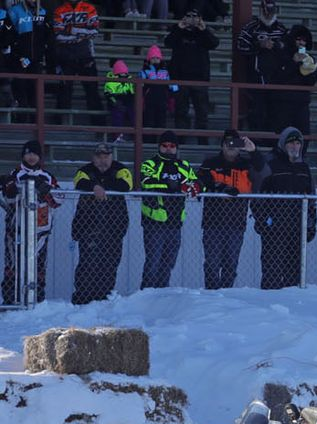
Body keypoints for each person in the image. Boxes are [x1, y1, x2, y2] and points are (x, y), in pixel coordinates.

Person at [251, 126, 317, 289]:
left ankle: (292, 310)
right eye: (291, 143)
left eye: (297, 143)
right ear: (283, 144)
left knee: (294, 276)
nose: (295, 147)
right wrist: (262, 220)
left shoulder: (304, 168)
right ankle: (269, 310)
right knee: (271, 274)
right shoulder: (271, 164)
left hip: (297, 229)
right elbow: (258, 194)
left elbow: (311, 200)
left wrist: (311, 224)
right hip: (274, 229)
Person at [198, 129, 263, 290]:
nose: (231, 147)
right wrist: (219, 189)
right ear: (222, 145)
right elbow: (199, 185)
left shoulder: (246, 164)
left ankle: (227, 298)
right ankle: (212, 296)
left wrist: (253, 151)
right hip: (213, 224)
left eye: (235, 143)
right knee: (212, 265)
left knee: (231, 266)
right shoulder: (210, 163)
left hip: (236, 224)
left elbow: (264, 172)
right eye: (227, 143)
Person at [70, 141, 133, 305]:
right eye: (99, 157)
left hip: (114, 228)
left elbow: (126, 184)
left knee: (110, 264)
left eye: (106, 156)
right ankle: (83, 300)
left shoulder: (121, 169)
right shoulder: (84, 170)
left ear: (111, 157)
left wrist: (100, 187)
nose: (102, 160)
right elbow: (79, 182)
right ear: (93, 157)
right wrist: (94, 187)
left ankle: (104, 298)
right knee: (88, 264)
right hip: (88, 227)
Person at [137, 130, 199, 289]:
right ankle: (146, 295)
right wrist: (174, 186)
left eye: (172, 146)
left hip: (175, 221)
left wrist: (182, 187)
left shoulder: (183, 165)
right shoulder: (150, 164)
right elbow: (147, 183)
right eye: (164, 145)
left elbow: (195, 185)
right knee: (153, 262)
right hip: (154, 222)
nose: (168, 149)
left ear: (176, 147)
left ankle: (162, 295)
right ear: (159, 146)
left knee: (168, 263)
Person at [3, 140, 60, 304]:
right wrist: (12, 191)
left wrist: (46, 193)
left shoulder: (47, 176)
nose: (31, 157)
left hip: (41, 230)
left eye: (35, 153)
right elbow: (8, 201)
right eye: (28, 153)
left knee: (39, 266)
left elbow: (59, 200)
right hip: (17, 230)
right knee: (13, 265)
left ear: (40, 156)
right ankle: (10, 301)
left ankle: (38, 302)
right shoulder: (14, 174)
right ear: (23, 155)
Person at [162, 8, 217, 137]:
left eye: (195, 16)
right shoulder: (177, 31)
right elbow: (168, 42)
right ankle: (181, 139)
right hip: (179, 79)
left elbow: (214, 44)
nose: (192, 18)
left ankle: (202, 139)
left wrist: (203, 29)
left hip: (200, 80)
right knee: (181, 111)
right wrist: (180, 28)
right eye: (189, 15)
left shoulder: (204, 32)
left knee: (202, 112)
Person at [233, 0, 286, 133]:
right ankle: (256, 140)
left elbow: (290, 52)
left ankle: (271, 141)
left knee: (275, 110)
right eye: (265, 11)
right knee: (257, 111)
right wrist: (258, 45)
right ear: (260, 11)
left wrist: (276, 46)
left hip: (277, 79)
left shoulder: (282, 30)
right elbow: (240, 47)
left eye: (271, 11)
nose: (268, 15)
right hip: (256, 78)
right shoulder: (250, 28)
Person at [49, 0, 101, 123]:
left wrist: (73, 30)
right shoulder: (59, 10)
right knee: (64, 91)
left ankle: (98, 125)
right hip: (65, 57)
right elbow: (58, 35)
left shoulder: (89, 8)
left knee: (92, 91)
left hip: (86, 56)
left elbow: (94, 32)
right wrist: (81, 35)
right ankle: (58, 124)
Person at [5, 0, 52, 126]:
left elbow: (49, 36)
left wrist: (46, 56)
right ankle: (21, 121)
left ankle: (35, 122)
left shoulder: (43, 12)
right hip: (18, 59)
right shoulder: (14, 11)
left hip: (36, 60)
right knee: (19, 88)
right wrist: (16, 54)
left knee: (35, 90)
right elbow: (7, 36)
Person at [266, 24, 317, 137]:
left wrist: (306, 67)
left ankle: (301, 155)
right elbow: (276, 78)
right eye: (298, 39)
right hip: (282, 103)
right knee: (281, 134)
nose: (301, 43)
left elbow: (312, 82)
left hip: (301, 103)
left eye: (304, 40)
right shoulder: (279, 55)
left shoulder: (310, 59)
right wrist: (293, 63)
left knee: (304, 135)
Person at [138, 44, 175, 132]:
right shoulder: (144, 71)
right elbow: (140, 85)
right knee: (148, 121)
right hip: (149, 100)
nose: (155, 60)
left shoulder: (165, 71)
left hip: (162, 100)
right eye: (153, 58)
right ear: (149, 59)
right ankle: (148, 142)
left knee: (161, 121)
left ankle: (159, 141)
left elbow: (171, 84)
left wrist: (173, 94)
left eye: (157, 58)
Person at [101, 58, 132, 129]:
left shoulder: (130, 81)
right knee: (117, 113)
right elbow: (108, 95)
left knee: (134, 112)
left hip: (127, 102)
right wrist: (116, 103)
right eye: (121, 73)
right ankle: (118, 136)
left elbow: (132, 94)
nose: (123, 75)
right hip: (115, 102)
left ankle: (136, 135)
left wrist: (129, 103)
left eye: (125, 73)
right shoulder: (111, 81)